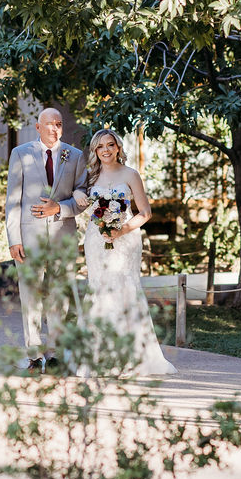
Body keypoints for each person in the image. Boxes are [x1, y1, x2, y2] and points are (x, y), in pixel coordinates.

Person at [73, 128, 176, 376]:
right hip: (96, 240)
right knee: (99, 289)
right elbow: (76, 193)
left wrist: (122, 230)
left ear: (118, 147)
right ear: (95, 151)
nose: (106, 150)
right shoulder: (89, 176)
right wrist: (78, 193)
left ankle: (132, 358)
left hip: (126, 239)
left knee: (124, 289)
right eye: (100, 147)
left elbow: (145, 212)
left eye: (110, 145)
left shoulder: (131, 174)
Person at [5, 108, 88, 372]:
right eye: (49, 124)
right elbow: (12, 201)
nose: (54, 129)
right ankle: (33, 355)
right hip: (28, 238)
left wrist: (60, 208)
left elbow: (83, 195)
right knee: (30, 296)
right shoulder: (20, 154)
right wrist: (13, 238)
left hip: (63, 237)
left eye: (59, 124)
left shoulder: (74, 156)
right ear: (37, 127)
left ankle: (54, 354)